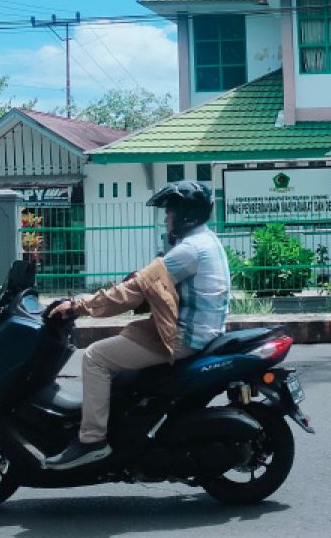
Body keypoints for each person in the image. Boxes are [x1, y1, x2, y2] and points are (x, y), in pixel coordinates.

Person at [43, 180, 231, 470]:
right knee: (127, 337)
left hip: (185, 338)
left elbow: (133, 293)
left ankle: (92, 441)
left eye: (169, 212)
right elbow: (150, 285)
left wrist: (79, 306)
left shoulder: (189, 250)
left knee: (96, 356)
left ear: (185, 214)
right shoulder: (207, 241)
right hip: (201, 332)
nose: (166, 218)